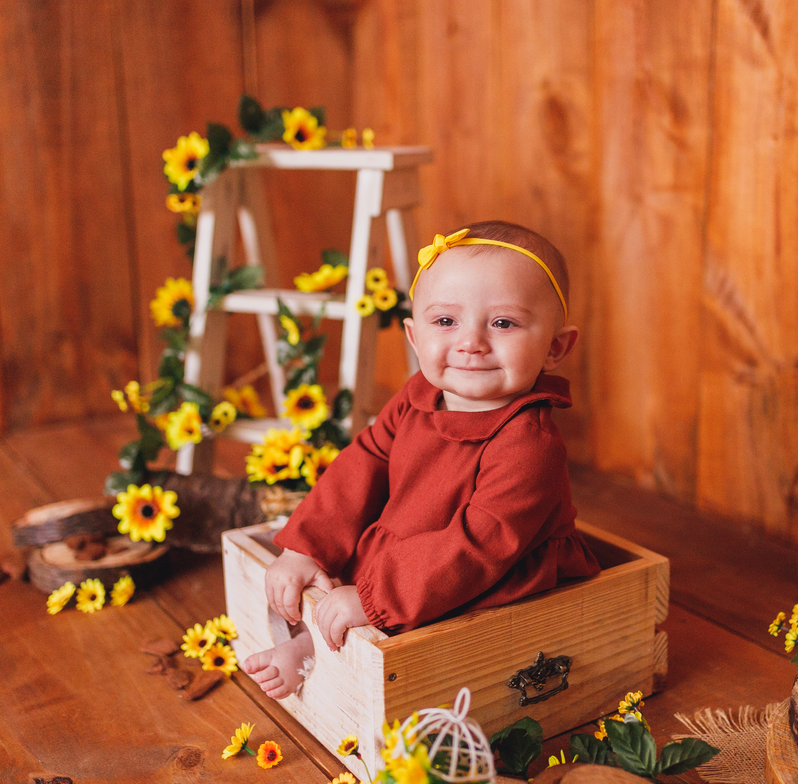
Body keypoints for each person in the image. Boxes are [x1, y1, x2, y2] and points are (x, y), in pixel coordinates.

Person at [244, 220, 600, 699]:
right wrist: (306, 547)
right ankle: (316, 639)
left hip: (487, 570)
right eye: (446, 321)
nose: (471, 342)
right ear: (414, 336)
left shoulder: (528, 444)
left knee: (432, 618)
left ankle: (312, 651)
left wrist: (375, 598)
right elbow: (362, 463)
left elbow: (478, 546)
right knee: (347, 565)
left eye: (503, 323)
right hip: (411, 552)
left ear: (555, 347)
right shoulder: (417, 397)